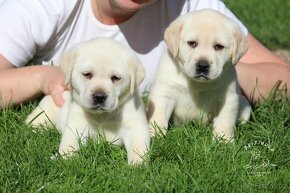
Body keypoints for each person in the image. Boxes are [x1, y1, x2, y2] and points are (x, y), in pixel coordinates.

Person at [0, 0, 289, 110]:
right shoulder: (43, 5)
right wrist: (42, 78)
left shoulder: (193, 7)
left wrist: (222, 71)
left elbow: (283, 79)